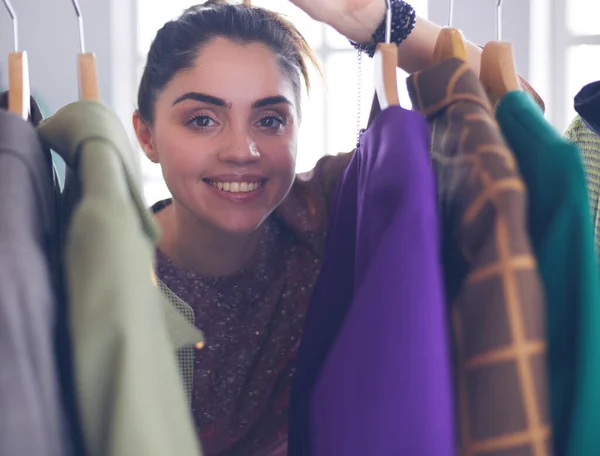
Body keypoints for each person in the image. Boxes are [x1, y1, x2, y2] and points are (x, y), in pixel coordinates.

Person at [132, 1, 540, 454]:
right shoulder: (104, 272)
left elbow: (509, 112)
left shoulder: (331, 208)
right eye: (203, 120)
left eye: (269, 120)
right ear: (147, 136)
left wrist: (377, 20)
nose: (242, 150)